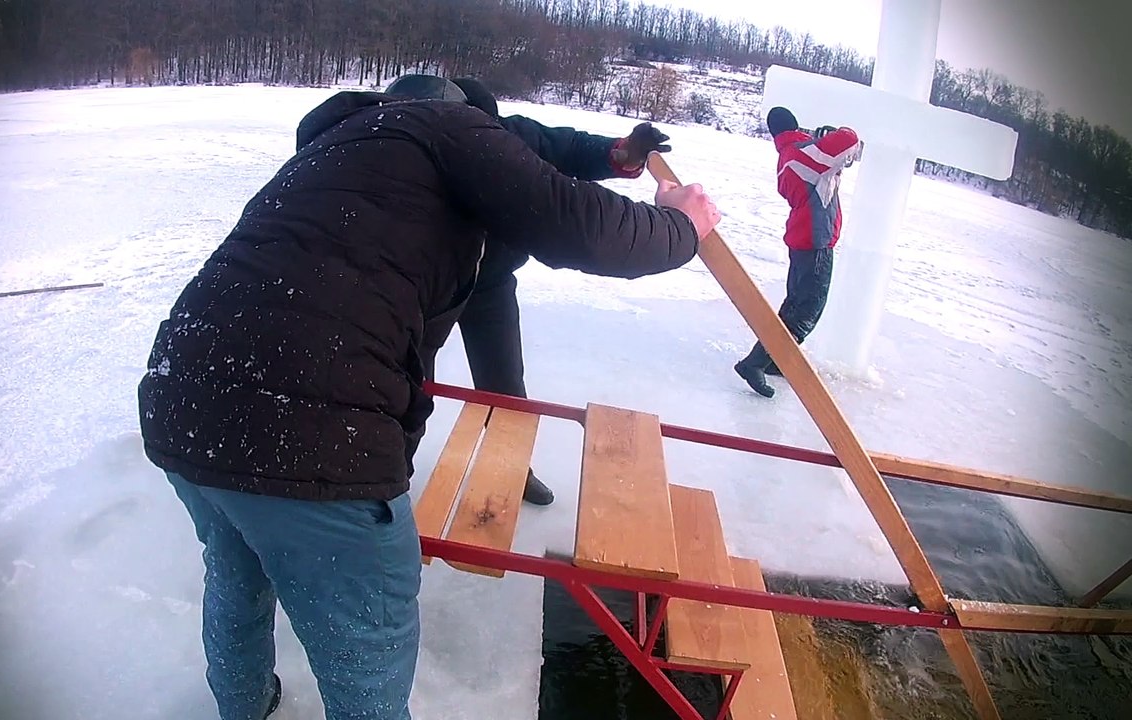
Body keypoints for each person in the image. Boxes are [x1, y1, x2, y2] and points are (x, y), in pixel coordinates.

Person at [138, 75, 721, 720]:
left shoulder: (333, 144)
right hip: (317, 431)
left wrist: (616, 154)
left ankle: (243, 706)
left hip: (181, 396)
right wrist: (681, 225)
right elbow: (579, 222)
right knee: (366, 643)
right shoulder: (449, 128)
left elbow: (550, 147)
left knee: (235, 573)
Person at [392, 75, 673, 506]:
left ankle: (511, 468)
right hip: (425, 288)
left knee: (504, 384)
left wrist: (624, 153)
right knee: (408, 383)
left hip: (490, 283)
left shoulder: (512, 138)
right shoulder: (407, 155)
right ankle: (392, 474)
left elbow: (572, 149)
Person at [734, 105, 862, 398]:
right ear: (794, 125)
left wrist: (818, 140)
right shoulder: (804, 153)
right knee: (807, 310)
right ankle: (754, 362)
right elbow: (850, 141)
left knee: (794, 305)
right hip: (816, 241)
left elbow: (835, 162)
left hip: (803, 239)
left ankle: (773, 359)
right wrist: (830, 134)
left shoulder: (789, 156)